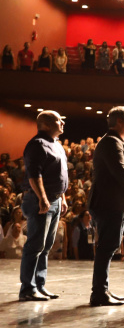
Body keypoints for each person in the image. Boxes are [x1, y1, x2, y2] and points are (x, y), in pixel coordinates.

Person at [89, 106, 124, 307]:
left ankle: (102, 290)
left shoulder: (118, 142)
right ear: (119, 121)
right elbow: (120, 171)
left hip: (113, 202)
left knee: (109, 246)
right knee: (106, 247)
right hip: (108, 202)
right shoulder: (111, 142)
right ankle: (99, 292)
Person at [19, 110, 68, 301]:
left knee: (46, 246)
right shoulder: (38, 144)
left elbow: (59, 176)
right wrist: (43, 197)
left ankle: (39, 284)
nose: (62, 123)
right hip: (40, 199)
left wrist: (62, 197)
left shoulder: (56, 145)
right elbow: (34, 175)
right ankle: (28, 289)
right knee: (35, 245)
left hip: (54, 199)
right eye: (59, 120)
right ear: (46, 124)